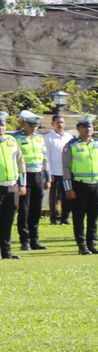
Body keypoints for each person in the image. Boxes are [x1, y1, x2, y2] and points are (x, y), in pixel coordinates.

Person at [62, 116, 98, 255]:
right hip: (79, 184)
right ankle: (82, 245)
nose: (89, 129)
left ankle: (92, 243)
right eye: (85, 127)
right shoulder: (71, 145)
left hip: (96, 184)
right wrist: (68, 188)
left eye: (90, 127)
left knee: (94, 216)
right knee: (79, 216)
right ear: (79, 128)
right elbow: (66, 168)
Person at [14, 111, 48, 251]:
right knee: (24, 209)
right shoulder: (16, 138)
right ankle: (25, 240)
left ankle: (35, 239)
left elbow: (44, 158)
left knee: (36, 208)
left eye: (36, 125)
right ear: (24, 124)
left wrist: (47, 176)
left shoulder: (40, 138)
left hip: (38, 175)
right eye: (31, 125)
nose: (34, 128)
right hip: (24, 176)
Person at [0, 110, 20, 259]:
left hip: (12, 185)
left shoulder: (12, 141)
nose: (0, 127)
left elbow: (20, 161)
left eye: (2, 124)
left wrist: (22, 183)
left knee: (8, 220)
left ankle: (6, 251)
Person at [45, 112, 70, 225]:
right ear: (52, 124)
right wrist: (49, 173)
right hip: (54, 172)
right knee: (54, 197)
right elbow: (47, 156)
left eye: (62, 122)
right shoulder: (48, 138)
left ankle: (65, 218)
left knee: (67, 196)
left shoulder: (69, 137)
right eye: (58, 122)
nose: (60, 125)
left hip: (66, 172)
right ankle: (54, 218)